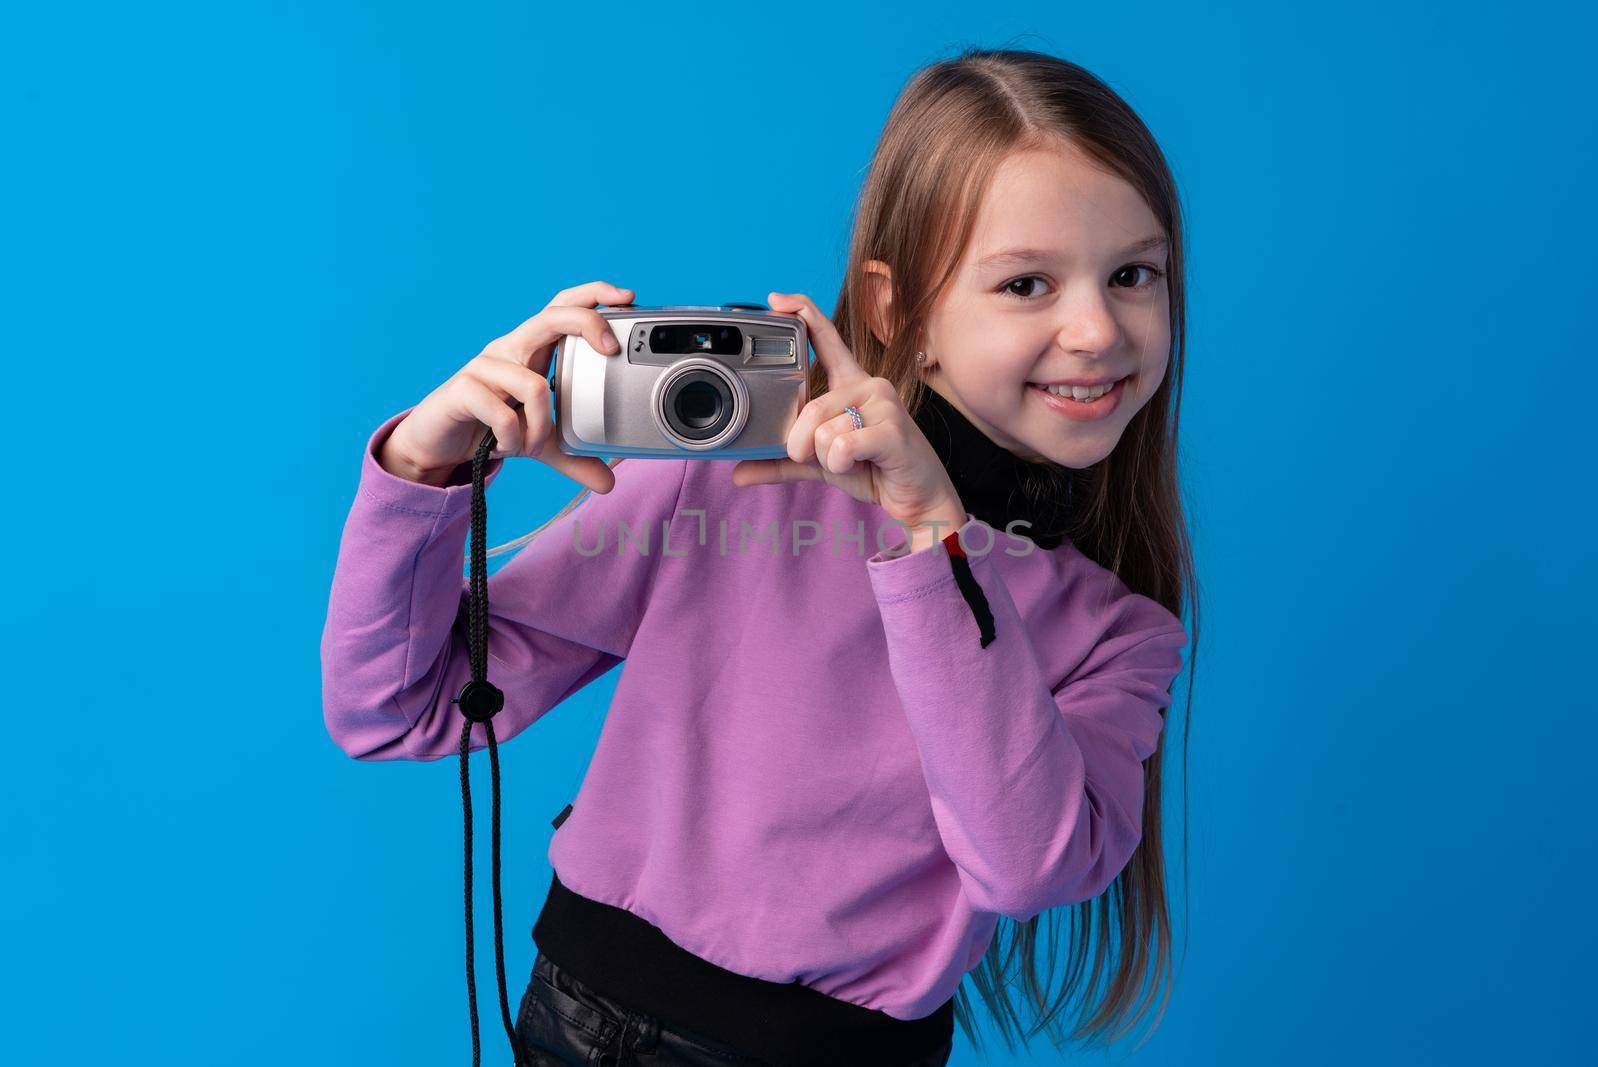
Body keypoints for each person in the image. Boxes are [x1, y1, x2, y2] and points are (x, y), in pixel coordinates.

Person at [320, 46, 1199, 1067]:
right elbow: (400, 706)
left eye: (1133, 273)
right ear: (894, 310)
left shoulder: (1121, 633)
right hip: (583, 1021)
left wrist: (928, 539)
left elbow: (1024, 866)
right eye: (1026, 283)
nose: (1095, 328)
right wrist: (423, 468)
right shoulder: (717, 488)